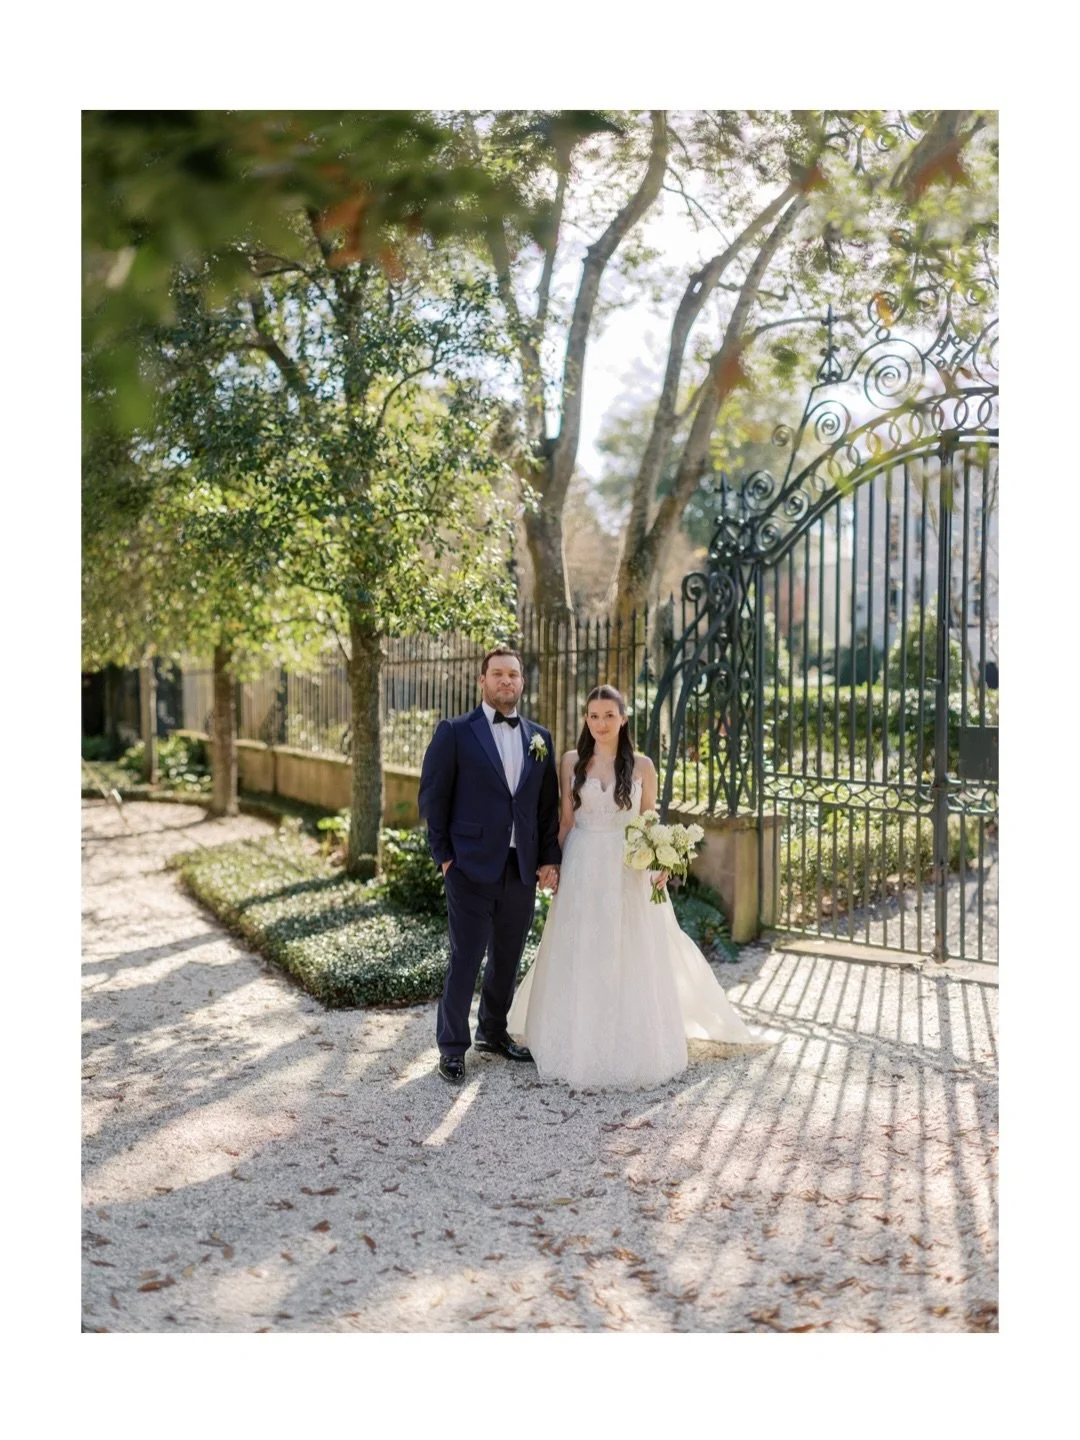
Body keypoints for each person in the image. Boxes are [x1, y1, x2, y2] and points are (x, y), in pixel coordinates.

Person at [507, 684, 771, 1090]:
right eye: (593, 716)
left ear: (624, 718)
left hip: (627, 865)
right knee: (582, 948)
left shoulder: (643, 766)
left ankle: (629, 1042)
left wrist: (660, 864)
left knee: (630, 949)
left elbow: (649, 821)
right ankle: (576, 1039)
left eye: (609, 715)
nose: (600, 723)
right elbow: (565, 822)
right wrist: (553, 866)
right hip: (581, 864)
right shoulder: (570, 762)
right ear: (586, 720)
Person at [418, 646, 561, 1085]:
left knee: (508, 955)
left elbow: (546, 807)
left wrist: (548, 859)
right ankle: (452, 1048)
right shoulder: (455, 732)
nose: (506, 681)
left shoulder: (539, 737)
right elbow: (432, 797)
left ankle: (493, 1033)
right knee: (466, 957)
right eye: (497, 674)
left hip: (520, 867)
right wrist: (445, 857)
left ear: (521, 683)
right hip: (469, 867)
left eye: (513, 675)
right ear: (482, 681)